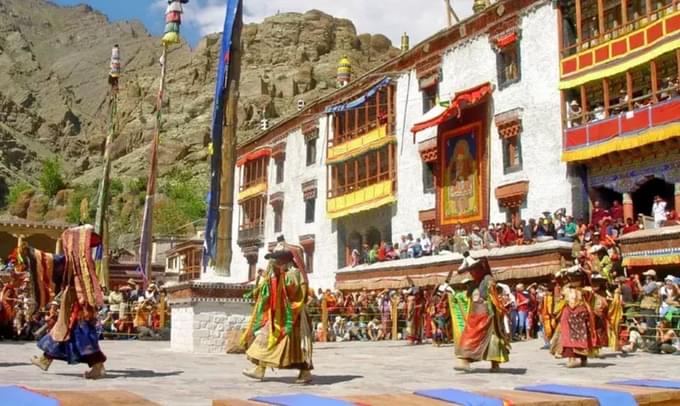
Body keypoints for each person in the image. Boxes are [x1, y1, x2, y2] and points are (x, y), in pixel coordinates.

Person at [30, 226, 107, 379]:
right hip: (74, 302)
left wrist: (33, 254)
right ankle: (45, 359)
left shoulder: (78, 261)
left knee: (80, 333)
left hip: (79, 304)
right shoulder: (79, 261)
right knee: (65, 331)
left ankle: (97, 366)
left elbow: (52, 261)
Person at [241, 243, 313, 384]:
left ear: (286, 261)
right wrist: (269, 279)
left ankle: (305, 371)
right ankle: (259, 369)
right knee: (266, 339)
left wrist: (277, 276)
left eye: (278, 260)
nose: (276, 263)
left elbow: (291, 290)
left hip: (293, 316)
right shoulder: (281, 274)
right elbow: (273, 290)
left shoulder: (294, 274)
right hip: (277, 315)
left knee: (298, 346)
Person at [455, 256, 510, 372]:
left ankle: (495, 364)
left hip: (487, 314)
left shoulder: (488, 280)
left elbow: (493, 297)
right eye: (470, 271)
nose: (471, 273)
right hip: (475, 315)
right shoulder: (474, 282)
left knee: (492, 338)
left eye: (473, 270)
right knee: (468, 336)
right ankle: (465, 361)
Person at [559, 266, 596, 368]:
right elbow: (560, 298)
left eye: (577, 279)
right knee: (568, 336)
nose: (574, 281)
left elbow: (590, 299)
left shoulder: (586, 290)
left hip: (580, 315)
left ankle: (583, 358)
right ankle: (572, 358)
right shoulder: (566, 289)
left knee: (583, 337)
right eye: (572, 278)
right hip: (568, 316)